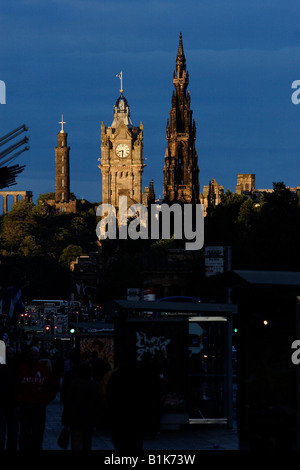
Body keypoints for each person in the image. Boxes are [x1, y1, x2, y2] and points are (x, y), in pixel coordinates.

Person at [106, 349, 149, 453]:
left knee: (121, 444)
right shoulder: (141, 375)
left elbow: (110, 395)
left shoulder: (116, 376)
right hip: (137, 416)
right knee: (136, 444)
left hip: (120, 416)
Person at [15, 345, 57, 450]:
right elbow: (16, 387)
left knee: (37, 435)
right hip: (26, 407)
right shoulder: (21, 370)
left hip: (39, 407)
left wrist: (44, 401)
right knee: (25, 434)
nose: (34, 357)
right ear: (29, 356)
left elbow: (52, 388)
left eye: (36, 355)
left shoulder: (44, 370)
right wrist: (21, 400)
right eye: (32, 355)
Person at [62, 361, 101, 450]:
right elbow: (98, 404)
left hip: (75, 419)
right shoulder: (95, 385)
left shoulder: (74, 384)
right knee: (87, 442)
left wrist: (65, 420)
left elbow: (68, 403)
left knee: (76, 442)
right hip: (89, 419)